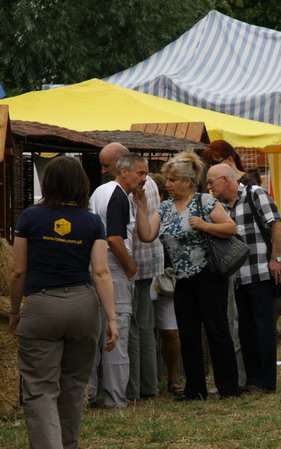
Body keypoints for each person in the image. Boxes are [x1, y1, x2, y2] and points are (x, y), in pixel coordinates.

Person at [8, 156, 118, 449]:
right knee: (72, 386)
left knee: (41, 388)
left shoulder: (30, 217)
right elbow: (101, 272)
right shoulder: (93, 221)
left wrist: (16, 310)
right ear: (81, 184)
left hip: (42, 305)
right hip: (83, 305)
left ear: (49, 183)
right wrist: (113, 318)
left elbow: (18, 270)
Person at [134, 150, 240, 401]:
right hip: (182, 279)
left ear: (187, 181)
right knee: (188, 332)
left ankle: (229, 388)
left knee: (216, 330)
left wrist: (204, 225)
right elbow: (147, 235)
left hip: (209, 276)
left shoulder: (205, 201)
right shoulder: (165, 207)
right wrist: (140, 208)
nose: (168, 185)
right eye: (167, 180)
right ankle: (195, 389)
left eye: (172, 180)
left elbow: (230, 228)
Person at [207, 163, 281, 393]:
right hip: (235, 276)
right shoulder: (219, 205)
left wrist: (276, 259)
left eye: (212, 181)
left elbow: (276, 224)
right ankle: (252, 380)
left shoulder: (255, 194)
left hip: (260, 270)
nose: (209, 186)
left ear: (226, 180)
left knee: (263, 328)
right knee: (245, 330)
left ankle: (267, 382)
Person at [98, 142, 164, 401]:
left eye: (106, 165)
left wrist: (129, 265)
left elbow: (121, 236)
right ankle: (148, 386)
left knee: (131, 327)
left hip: (131, 265)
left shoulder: (129, 188)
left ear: (121, 165)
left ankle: (131, 390)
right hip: (147, 262)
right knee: (144, 326)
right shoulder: (146, 184)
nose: (104, 171)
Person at [88, 153, 148, 408]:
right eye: (140, 173)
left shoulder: (100, 191)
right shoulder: (119, 197)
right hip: (114, 266)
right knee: (117, 331)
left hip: (95, 265)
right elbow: (114, 238)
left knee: (95, 333)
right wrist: (131, 266)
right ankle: (115, 399)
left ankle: (88, 395)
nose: (144, 179)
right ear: (124, 172)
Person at [148, 172, 183, 394]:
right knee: (146, 330)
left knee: (170, 332)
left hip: (168, 278)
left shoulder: (172, 213)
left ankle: (172, 378)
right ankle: (149, 380)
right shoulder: (140, 211)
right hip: (146, 276)